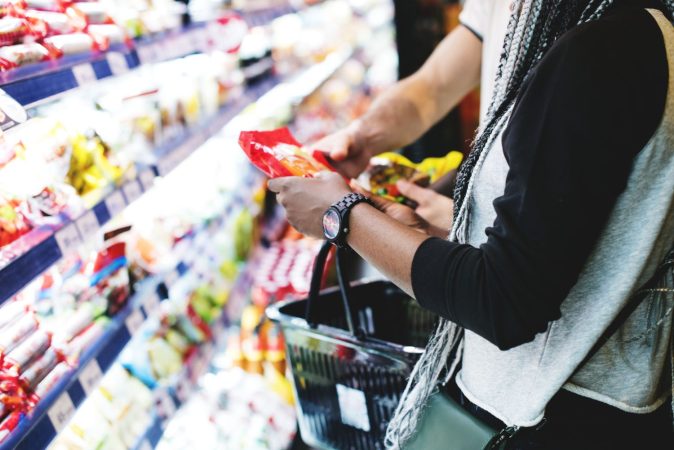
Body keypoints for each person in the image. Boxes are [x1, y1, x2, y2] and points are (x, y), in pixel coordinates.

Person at [268, 0, 674, 448]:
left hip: (546, 413)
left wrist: (343, 217)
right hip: (611, 405)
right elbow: (566, 241)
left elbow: (503, 302)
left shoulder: (596, 56)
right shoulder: (645, 31)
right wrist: (433, 232)